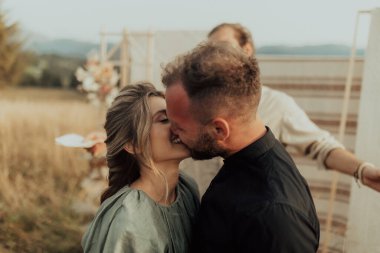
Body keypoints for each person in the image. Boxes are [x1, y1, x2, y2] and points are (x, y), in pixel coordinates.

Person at [179, 22, 380, 195]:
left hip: (249, 219)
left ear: (246, 49)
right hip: (196, 215)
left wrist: (363, 170)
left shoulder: (277, 104)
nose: (214, 55)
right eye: (209, 50)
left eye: (222, 46)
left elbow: (321, 146)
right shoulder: (192, 104)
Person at [163, 42, 320, 252]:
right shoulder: (239, 162)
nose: (171, 132)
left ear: (219, 130)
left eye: (179, 127)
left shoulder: (274, 214)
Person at [81, 82, 200, 253]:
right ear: (132, 144)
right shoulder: (127, 220)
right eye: (164, 119)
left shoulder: (187, 188)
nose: (177, 124)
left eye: (175, 115)